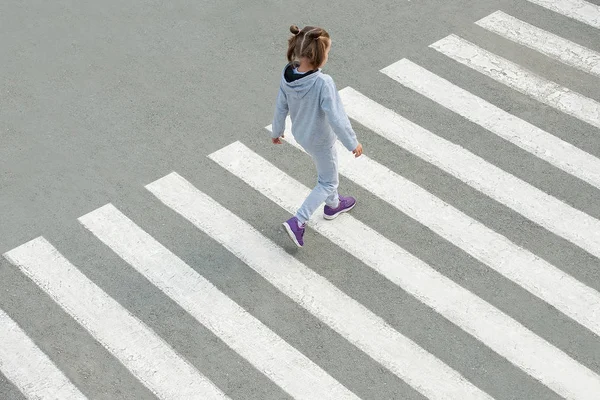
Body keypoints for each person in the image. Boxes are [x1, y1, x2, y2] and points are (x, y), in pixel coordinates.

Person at [271, 24, 363, 248]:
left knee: (327, 174)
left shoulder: (288, 74)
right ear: (319, 56)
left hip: (302, 134)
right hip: (321, 140)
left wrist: (276, 131)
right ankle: (299, 221)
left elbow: (281, 105)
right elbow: (337, 117)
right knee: (328, 180)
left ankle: (333, 205)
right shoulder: (323, 82)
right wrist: (352, 143)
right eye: (328, 52)